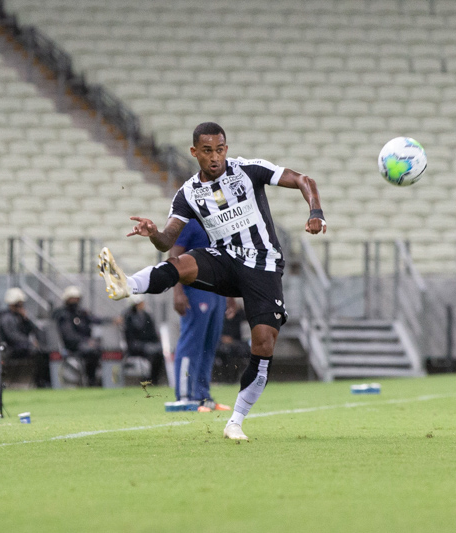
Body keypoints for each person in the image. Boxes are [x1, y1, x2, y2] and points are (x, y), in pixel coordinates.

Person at [98, 122, 326, 440]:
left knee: (263, 344)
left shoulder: (248, 170)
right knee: (181, 263)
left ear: (226, 149)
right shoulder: (188, 193)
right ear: (195, 153)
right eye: (207, 151)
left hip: (263, 266)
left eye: (220, 149)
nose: (215, 157)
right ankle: (127, 286)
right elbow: (167, 241)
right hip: (225, 260)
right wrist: (153, 233)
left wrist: (315, 211)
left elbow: (304, 179)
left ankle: (235, 420)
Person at [170, 218, 229, 412]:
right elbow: (174, 255)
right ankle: (185, 396)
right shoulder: (189, 222)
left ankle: (203, 396)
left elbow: (225, 257)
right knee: (192, 343)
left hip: (218, 289)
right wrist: (177, 291)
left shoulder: (218, 219)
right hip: (195, 289)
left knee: (209, 345)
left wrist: (231, 293)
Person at [0, 288, 51, 388]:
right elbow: (12, 336)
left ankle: (44, 382)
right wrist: (29, 343)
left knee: (44, 352)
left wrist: (27, 319)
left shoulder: (20, 316)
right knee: (38, 353)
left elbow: (34, 330)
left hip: (23, 346)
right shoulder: (6, 317)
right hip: (12, 349)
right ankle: (40, 382)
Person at [52, 285, 104, 387]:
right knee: (91, 351)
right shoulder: (63, 315)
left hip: (85, 343)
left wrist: (112, 320)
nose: (75, 301)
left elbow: (95, 319)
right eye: (72, 299)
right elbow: (69, 336)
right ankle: (90, 380)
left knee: (99, 349)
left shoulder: (81, 313)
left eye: (77, 299)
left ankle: (93, 379)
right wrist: (86, 341)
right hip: (72, 346)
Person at [122, 295, 165, 385]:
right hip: (136, 346)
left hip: (148, 344)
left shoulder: (146, 315)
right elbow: (130, 337)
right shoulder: (128, 317)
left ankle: (154, 379)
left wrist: (156, 342)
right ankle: (149, 379)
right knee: (152, 352)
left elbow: (152, 333)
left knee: (159, 353)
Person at [214, 299, 249, 384]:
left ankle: (235, 378)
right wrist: (221, 338)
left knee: (240, 350)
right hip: (220, 342)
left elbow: (248, 318)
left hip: (236, 342)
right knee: (223, 350)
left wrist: (240, 308)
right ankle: (222, 378)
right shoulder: (218, 313)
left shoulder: (239, 314)